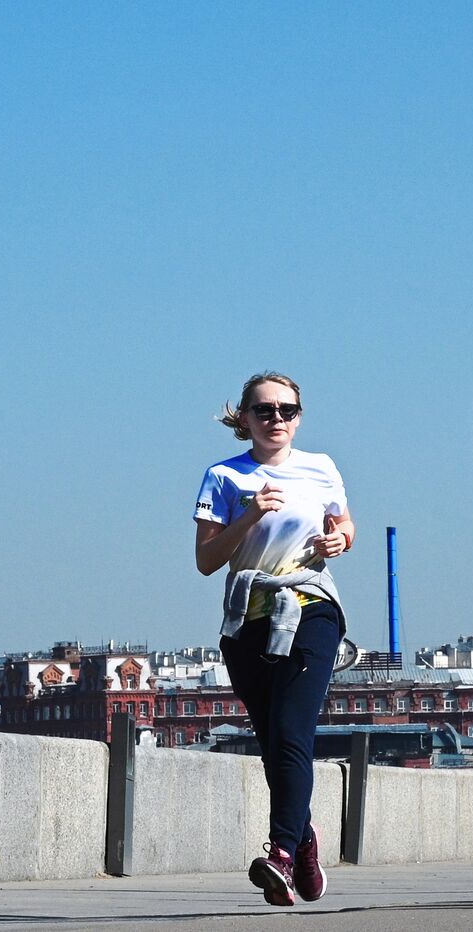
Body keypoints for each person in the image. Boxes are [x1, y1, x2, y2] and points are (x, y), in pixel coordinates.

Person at [193, 372, 354, 906]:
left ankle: (281, 852)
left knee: (291, 730)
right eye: (264, 410)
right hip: (249, 617)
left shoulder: (321, 467)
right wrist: (248, 516)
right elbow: (206, 561)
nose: (276, 419)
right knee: (272, 744)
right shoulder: (222, 476)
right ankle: (304, 839)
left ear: (299, 416)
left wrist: (339, 539)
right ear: (243, 418)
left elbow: (345, 526)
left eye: (287, 410)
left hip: (310, 606)